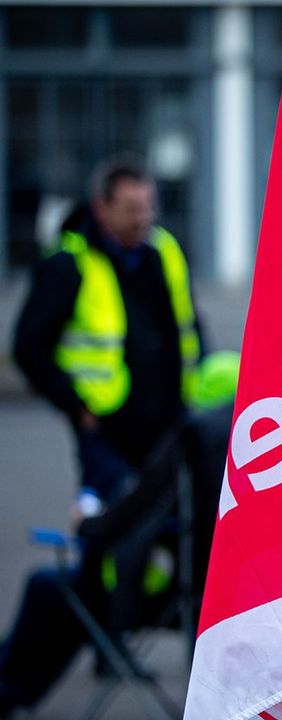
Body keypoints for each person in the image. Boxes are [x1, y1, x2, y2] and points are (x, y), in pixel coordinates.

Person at [0, 352, 237, 720]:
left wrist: (86, 525)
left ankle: (8, 693)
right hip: (227, 600)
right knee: (66, 591)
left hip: (169, 596)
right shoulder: (267, 468)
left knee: (51, 587)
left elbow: (127, 517)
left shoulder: (192, 443)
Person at [13, 158, 204, 500]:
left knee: (178, 523)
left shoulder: (163, 251)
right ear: (102, 207)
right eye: (132, 209)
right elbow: (28, 347)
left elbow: (190, 326)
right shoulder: (68, 264)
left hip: (169, 422)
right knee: (112, 526)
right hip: (106, 429)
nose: (143, 218)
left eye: (148, 207)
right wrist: (76, 406)